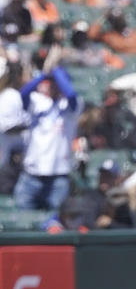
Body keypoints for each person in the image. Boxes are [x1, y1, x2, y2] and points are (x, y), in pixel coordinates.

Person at [14, 45, 82, 210]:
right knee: (23, 221)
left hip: (58, 176)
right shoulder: (38, 101)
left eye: (56, 83)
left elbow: (71, 94)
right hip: (31, 174)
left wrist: (55, 69)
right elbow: (23, 93)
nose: (53, 86)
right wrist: (45, 74)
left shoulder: (72, 104)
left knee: (55, 223)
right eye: (50, 83)